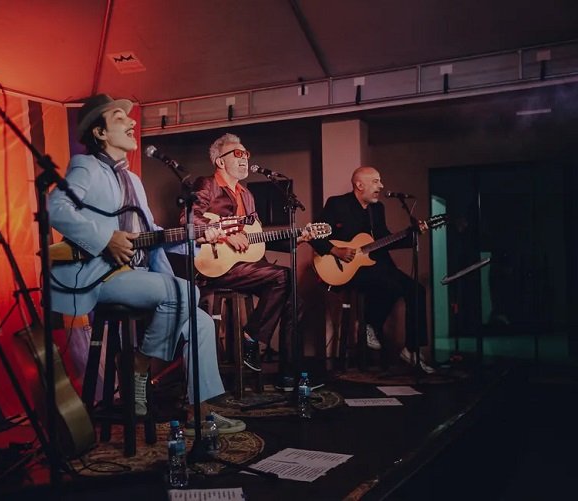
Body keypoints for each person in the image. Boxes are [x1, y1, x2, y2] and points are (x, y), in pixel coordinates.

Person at [48, 94, 245, 434]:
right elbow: (56, 208)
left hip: (137, 275)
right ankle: (138, 365)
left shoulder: (133, 180)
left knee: (201, 323)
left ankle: (199, 413)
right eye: (119, 118)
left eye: (129, 117)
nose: (131, 122)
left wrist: (200, 237)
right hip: (100, 277)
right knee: (184, 291)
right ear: (99, 133)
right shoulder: (86, 167)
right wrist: (105, 239)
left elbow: (150, 233)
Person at [181, 132, 311, 381]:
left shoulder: (247, 195)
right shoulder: (207, 184)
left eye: (246, 154)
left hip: (247, 266)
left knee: (294, 298)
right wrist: (225, 235)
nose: (245, 158)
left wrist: (296, 239)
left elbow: (256, 239)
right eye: (238, 153)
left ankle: (290, 376)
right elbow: (189, 219)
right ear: (220, 161)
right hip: (216, 267)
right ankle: (251, 337)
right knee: (285, 277)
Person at [310, 166, 435, 374]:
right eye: (376, 181)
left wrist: (411, 235)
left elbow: (384, 240)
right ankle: (369, 324)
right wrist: (335, 250)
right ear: (359, 185)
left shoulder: (377, 209)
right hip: (345, 269)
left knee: (416, 290)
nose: (381, 186)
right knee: (390, 284)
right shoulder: (337, 204)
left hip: (374, 265)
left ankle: (411, 349)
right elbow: (313, 234)